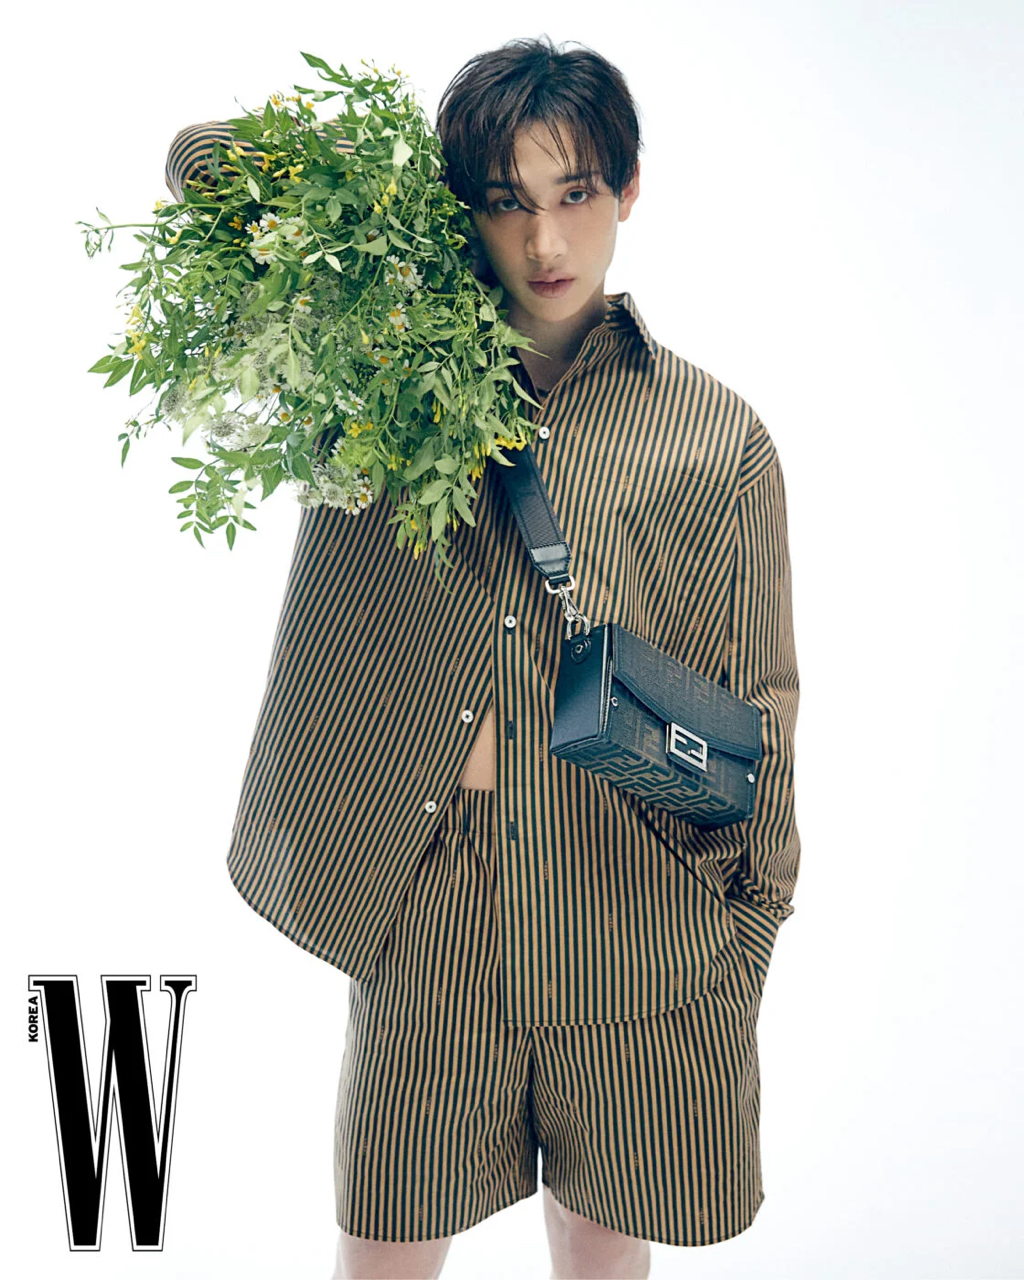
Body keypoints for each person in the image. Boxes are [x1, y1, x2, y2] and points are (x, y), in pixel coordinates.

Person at [166, 34, 800, 1280]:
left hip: (628, 887)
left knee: (601, 1242)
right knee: (385, 1240)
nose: (545, 241)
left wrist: (749, 929)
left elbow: (760, 701)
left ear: (628, 190)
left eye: (575, 193)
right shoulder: (375, 373)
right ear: (466, 212)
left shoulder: (714, 438)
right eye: (506, 201)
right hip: (433, 892)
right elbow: (202, 170)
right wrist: (395, 219)